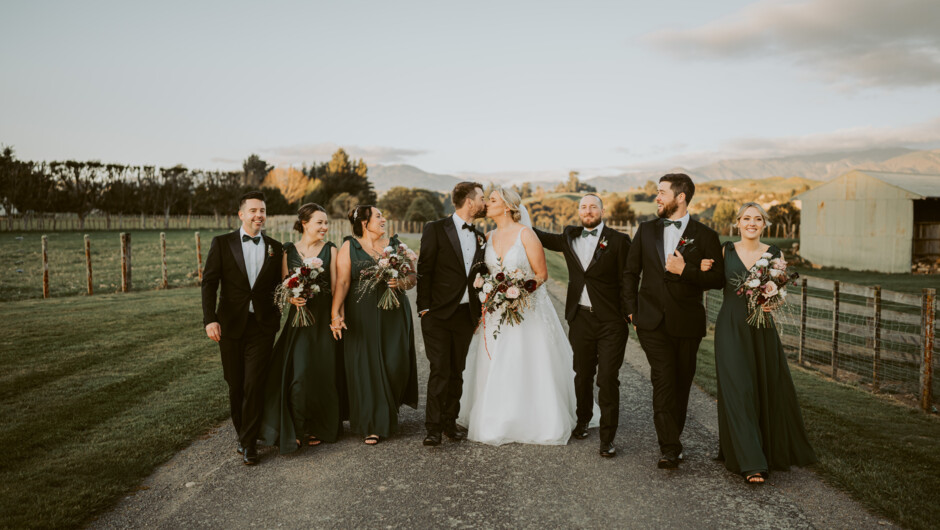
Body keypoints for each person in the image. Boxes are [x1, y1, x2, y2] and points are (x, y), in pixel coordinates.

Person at [458, 187, 599, 446]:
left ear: (508, 206)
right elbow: (483, 273)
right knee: (496, 360)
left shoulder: (526, 234)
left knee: (526, 359)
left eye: (492, 200)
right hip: (496, 312)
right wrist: (490, 291)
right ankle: (497, 417)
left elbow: (541, 274)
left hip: (526, 310)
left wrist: (518, 292)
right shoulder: (487, 237)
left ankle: (535, 418)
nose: (487, 204)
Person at [700, 202, 817, 484]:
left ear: (764, 224)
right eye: (746, 218)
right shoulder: (726, 250)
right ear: (738, 222)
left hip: (762, 327)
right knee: (738, 390)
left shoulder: (774, 253)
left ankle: (765, 448)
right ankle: (751, 462)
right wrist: (702, 268)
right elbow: (712, 280)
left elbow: (780, 292)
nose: (751, 223)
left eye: (757, 219)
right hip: (731, 327)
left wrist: (774, 302)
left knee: (765, 387)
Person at [623, 173, 723, 470]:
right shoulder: (646, 230)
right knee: (664, 379)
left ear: (680, 197)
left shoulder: (705, 236)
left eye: (662, 192)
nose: (657, 197)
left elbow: (717, 280)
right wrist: (631, 310)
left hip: (687, 323)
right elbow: (630, 272)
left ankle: (672, 438)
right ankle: (669, 447)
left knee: (681, 383)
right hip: (650, 321)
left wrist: (686, 270)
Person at [534, 194, 632, 457]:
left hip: (611, 321)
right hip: (580, 319)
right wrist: (516, 220)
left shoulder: (619, 241)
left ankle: (607, 438)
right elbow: (542, 237)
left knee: (607, 378)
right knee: (582, 374)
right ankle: (583, 419)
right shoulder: (569, 236)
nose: (588, 211)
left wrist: (629, 313)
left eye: (593, 207)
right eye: (584, 207)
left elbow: (628, 278)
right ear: (579, 211)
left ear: (602, 211)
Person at [201, 191, 283, 465]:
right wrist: (209, 319)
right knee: (235, 384)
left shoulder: (275, 247)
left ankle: (249, 444)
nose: (259, 215)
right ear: (241, 214)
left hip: (262, 327)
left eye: (262, 211)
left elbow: (280, 286)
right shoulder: (222, 243)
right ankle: (243, 434)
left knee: (254, 383)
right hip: (230, 325)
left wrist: (280, 310)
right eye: (253, 211)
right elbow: (209, 283)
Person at [259, 203, 345, 454]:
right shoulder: (288, 251)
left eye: (326, 223)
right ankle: (297, 429)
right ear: (304, 223)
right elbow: (284, 286)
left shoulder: (331, 249)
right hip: (299, 321)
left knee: (323, 374)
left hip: (322, 320)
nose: (325, 227)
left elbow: (337, 286)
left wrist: (336, 317)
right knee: (299, 375)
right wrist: (292, 297)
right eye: (320, 222)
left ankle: (319, 427)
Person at [330, 205, 418, 445]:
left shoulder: (397, 245)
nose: (383, 220)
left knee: (395, 363)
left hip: (394, 313)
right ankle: (372, 423)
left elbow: (412, 277)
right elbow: (343, 283)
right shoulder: (349, 247)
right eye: (378, 216)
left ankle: (388, 407)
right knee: (366, 367)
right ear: (364, 223)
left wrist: (401, 283)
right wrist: (335, 313)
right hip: (361, 314)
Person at [417, 182, 488, 446]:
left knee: (458, 370)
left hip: (465, 314)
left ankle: (450, 422)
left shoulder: (480, 236)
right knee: (440, 369)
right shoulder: (435, 228)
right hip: (437, 313)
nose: (484, 203)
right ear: (470, 202)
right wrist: (424, 308)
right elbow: (424, 268)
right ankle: (433, 427)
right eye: (482, 198)